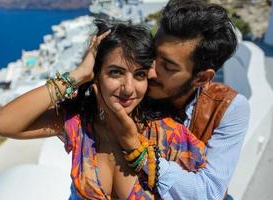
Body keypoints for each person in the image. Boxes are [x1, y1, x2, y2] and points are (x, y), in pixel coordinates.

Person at [0, 20, 207, 199]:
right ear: (96, 75)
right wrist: (77, 75)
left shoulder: (167, 134)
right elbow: (3, 123)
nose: (129, 88)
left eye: (139, 74)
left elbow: (211, 192)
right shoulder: (79, 125)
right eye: (115, 72)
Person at [100, 0, 250, 199]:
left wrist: (137, 148)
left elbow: (210, 192)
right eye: (153, 55)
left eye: (168, 67)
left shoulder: (228, 108)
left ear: (201, 78)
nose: (150, 71)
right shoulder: (131, 89)